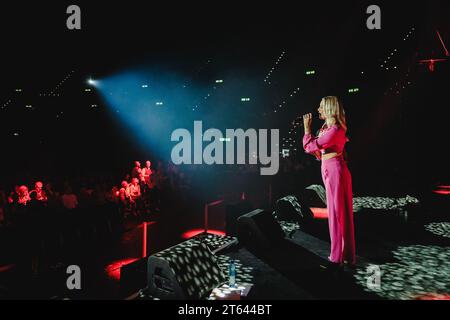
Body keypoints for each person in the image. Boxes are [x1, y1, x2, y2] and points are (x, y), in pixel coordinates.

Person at [302, 96, 355, 266]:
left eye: (321, 107)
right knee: (337, 213)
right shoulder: (327, 128)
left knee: (338, 214)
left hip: (335, 171)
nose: (318, 110)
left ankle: (340, 256)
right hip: (330, 169)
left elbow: (310, 146)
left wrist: (307, 131)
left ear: (330, 108)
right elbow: (316, 150)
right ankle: (342, 255)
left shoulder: (335, 130)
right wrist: (316, 149)